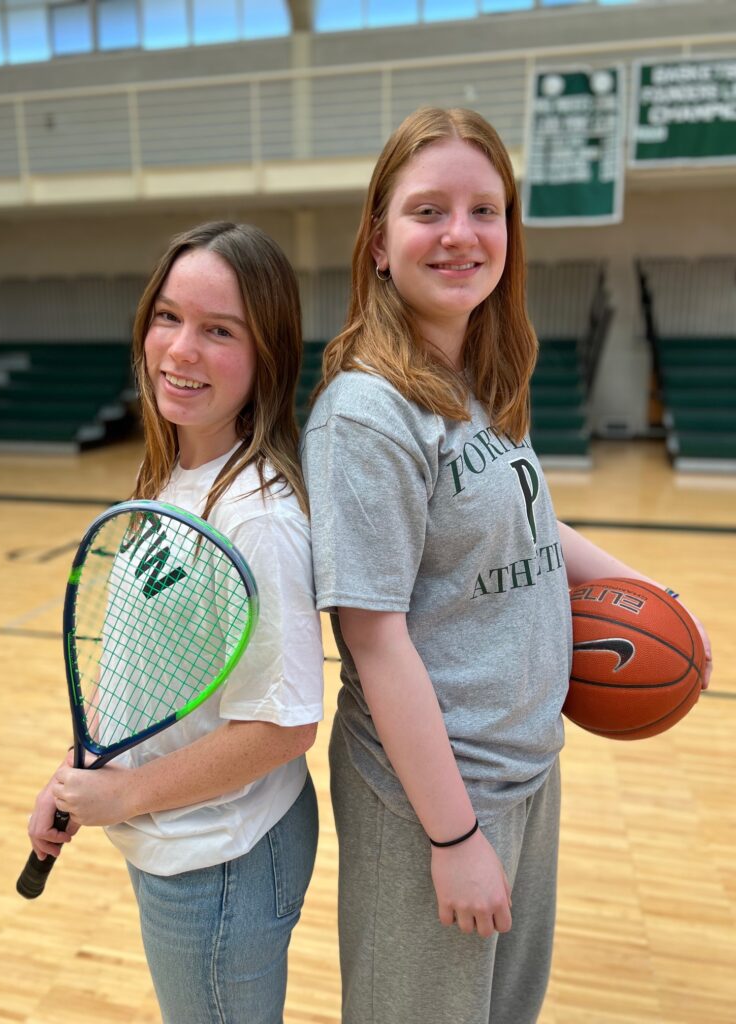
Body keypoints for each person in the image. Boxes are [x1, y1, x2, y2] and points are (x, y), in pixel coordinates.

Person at [300, 107, 712, 1024]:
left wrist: (651, 598)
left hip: (525, 767)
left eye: (485, 210)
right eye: (428, 210)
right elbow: (374, 641)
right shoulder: (367, 416)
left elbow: (537, 530)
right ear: (377, 241)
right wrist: (453, 836)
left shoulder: (475, 382)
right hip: (436, 795)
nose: (461, 234)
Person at [27, 221, 325, 1024]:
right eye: (167, 316)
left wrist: (120, 798)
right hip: (179, 837)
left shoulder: (257, 516)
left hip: (219, 859)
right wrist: (75, 771)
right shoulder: (170, 467)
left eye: (218, 330)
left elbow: (284, 724)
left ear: (268, 354)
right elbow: (144, 655)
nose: (180, 350)